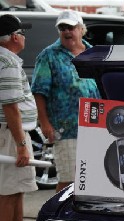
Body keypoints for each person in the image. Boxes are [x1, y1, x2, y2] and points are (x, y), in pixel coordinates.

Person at [31, 10, 100, 193]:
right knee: (69, 180)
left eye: (71, 27)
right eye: (62, 28)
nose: (67, 32)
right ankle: (59, 217)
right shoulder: (49, 55)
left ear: (81, 29)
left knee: (91, 180)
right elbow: (39, 92)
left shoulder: (93, 53)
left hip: (95, 126)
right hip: (66, 128)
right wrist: (45, 123)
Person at [0, 14, 38, 221]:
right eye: (22, 33)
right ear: (14, 37)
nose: (24, 36)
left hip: (12, 133)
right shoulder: (8, 61)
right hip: (11, 134)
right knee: (8, 193)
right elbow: (10, 107)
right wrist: (22, 144)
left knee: (16, 190)